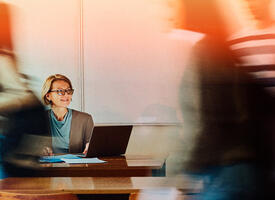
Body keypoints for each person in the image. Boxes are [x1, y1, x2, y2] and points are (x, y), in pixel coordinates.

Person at [41, 74, 94, 154]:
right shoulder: (39, 118)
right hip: (49, 165)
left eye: (68, 91)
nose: (66, 94)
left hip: (76, 165)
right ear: (48, 96)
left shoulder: (85, 119)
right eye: (59, 91)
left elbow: (91, 145)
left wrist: (89, 147)